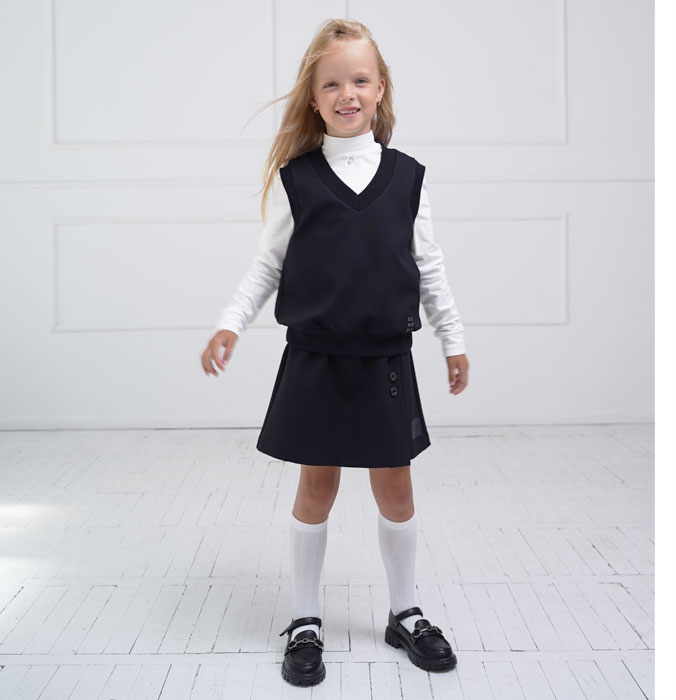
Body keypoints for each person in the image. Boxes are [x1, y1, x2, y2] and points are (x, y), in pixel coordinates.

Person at [200, 18, 470, 687]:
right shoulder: (297, 179)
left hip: (385, 361)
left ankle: (404, 611)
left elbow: (429, 267)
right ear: (313, 98)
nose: (347, 93)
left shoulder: (407, 178)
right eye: (331, 84)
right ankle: (306, 618)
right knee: (316, 488)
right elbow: (267, 266)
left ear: (380, 90)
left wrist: (453, 339)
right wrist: (231, 323)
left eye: (359, 80)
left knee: (396, 489)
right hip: (316, 358)